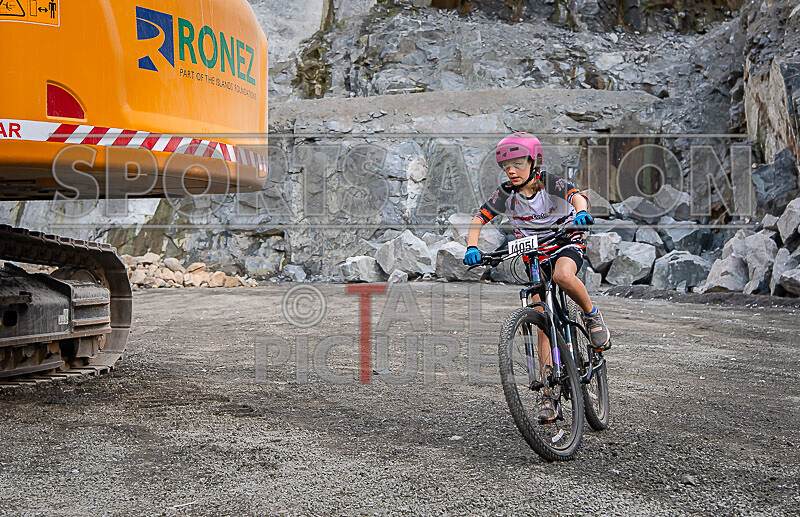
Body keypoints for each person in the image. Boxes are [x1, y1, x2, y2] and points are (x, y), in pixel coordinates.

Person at [463, 132, 610, 423]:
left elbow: (576, 197)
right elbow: (478, 219)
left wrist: (580, 213)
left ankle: (592, 316)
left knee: (563, 276)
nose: (512, 171)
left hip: (565, 241)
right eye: (506, 167)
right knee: (541, 317)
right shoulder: (505, 193)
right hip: (535, 255)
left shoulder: (550, 181)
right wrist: (472, 246)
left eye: (518, 164)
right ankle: (548, 391)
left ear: (534, 162)